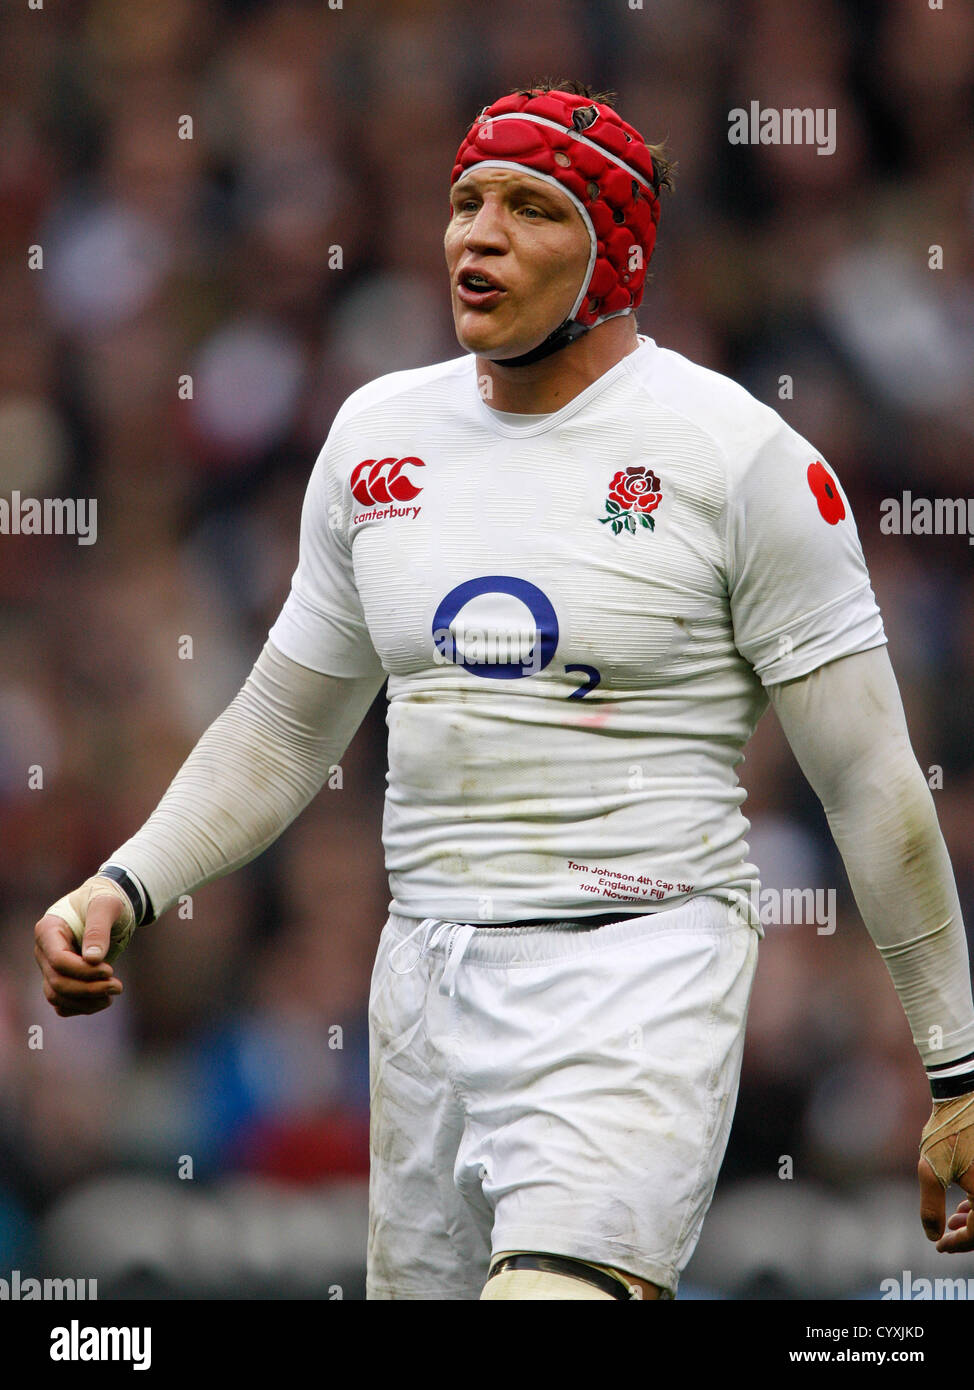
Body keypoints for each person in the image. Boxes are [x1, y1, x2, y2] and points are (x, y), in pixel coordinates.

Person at [34, 81, 974, 1301]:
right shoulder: (380, 435)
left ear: (613, 255)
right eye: (464, 200)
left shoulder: (739, 459)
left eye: (529, 207)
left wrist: (955, 1071)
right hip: (420, 979)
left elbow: (867, 781)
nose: (475, 234)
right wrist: (129, 880)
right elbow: (279, 726)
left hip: (637, 964)